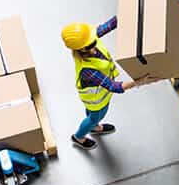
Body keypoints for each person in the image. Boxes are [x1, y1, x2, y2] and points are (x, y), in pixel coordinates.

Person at [61, 17, 152, 150]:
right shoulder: (87, 70)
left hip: (97, 96)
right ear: (82, 49)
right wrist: (139, 82)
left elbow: (109, 25)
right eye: (92, 43)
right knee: (95, 117)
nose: (95, 41)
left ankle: (95, 127)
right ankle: (79, 137)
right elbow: (113, 86)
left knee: (92, 115)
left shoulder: (88, 39)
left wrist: (127, 11)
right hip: (97, 101)